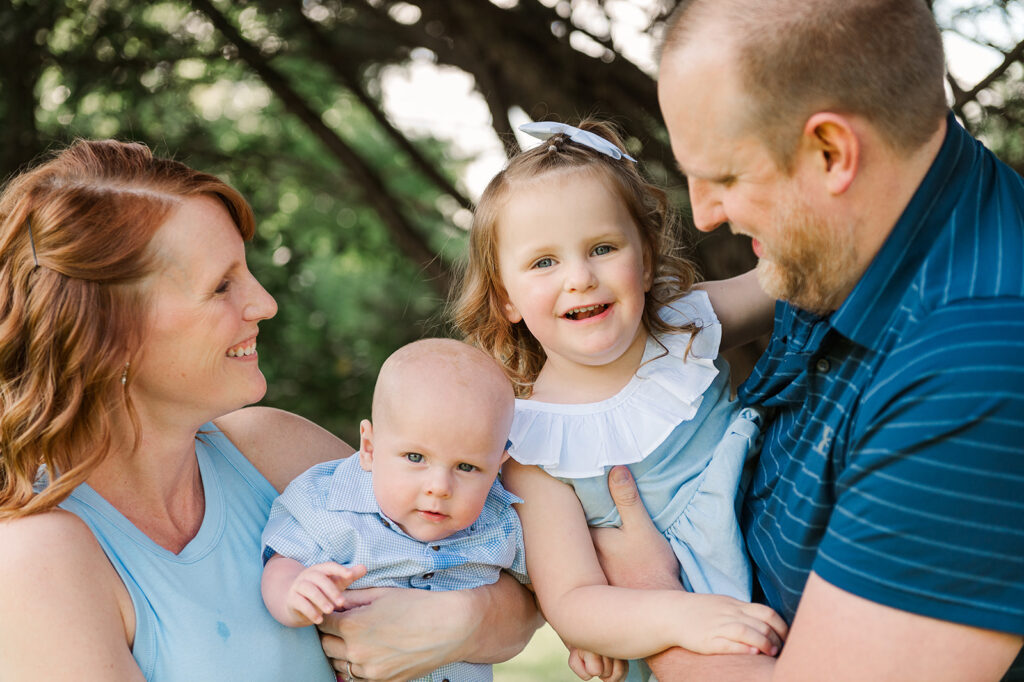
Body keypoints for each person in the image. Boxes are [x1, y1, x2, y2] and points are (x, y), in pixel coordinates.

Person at [589, 0, 1024, 679]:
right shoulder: (857, 227)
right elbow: (652, 335)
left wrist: (645, 600)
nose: (705, 215)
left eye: (727, 177)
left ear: (831, 151)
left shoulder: (975, 368)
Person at [0, 139, 540, 682]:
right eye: (221, 286)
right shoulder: (38, 557)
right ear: (111, 334)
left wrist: (459, 619)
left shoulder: (276, 452)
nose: (264, 303)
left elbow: (514, 595)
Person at [454, 119, 787, 681]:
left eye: (602, 248)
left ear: (647, 259)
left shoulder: (687, 325)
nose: (580, 278)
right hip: (690, 627)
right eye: (544, 262)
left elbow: (791, 282)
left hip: (787, 542)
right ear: (506, 297)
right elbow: (575, 601)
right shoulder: (533, 443)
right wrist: (683, 618)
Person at [261, 338, 530, 682]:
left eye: (466, 467)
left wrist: (581, 639)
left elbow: (551, 589)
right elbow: (283, 558)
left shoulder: (501, 523)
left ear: (496, 467)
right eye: (416, 458)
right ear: (369, 447)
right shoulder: (331, 506)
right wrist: (292, 592)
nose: (440, 487)